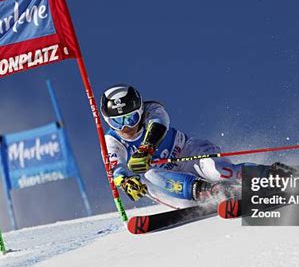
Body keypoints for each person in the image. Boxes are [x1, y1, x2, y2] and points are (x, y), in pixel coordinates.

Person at [100, 84, 245, 208]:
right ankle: (209, 191)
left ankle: (262, 176)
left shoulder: (152, 109)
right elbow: (115, 168)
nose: (125, 127)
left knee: (218, 171)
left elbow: (159, 124)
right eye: (117, 122)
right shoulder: (111, 140)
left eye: (131, 119)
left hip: (189, 154)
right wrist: (125, 182)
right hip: (168, 181)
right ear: (108, 121)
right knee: (149, 176)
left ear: (140, 111)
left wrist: (147, 148)